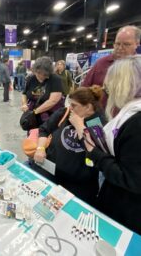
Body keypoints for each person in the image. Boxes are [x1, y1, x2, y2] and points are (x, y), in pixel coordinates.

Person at [82, 55, 141, 234]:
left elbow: (131, 179)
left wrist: (94, 152)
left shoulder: (136, 123)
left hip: (127, 212)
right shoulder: (128, 114)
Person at [32, 86, 105, 205]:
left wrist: (79, 126)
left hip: (78, 185)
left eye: (74, 105)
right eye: (70, 104)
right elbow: (44, 130)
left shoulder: (97, 123)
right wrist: (40, 148)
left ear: (88, 107)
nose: (70, 108)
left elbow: (96, 152)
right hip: (50, 172)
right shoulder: (65, 113)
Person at [21, 56, 63, 126]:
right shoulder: (31, 78)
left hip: (50, 116)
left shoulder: (55, 79)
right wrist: (24, 104)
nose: (40, 75)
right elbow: (24, 93)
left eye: (44, 74)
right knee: (32, 134)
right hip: (33, 116)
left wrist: (35, 112)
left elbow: (53, 101)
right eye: (38, 72)